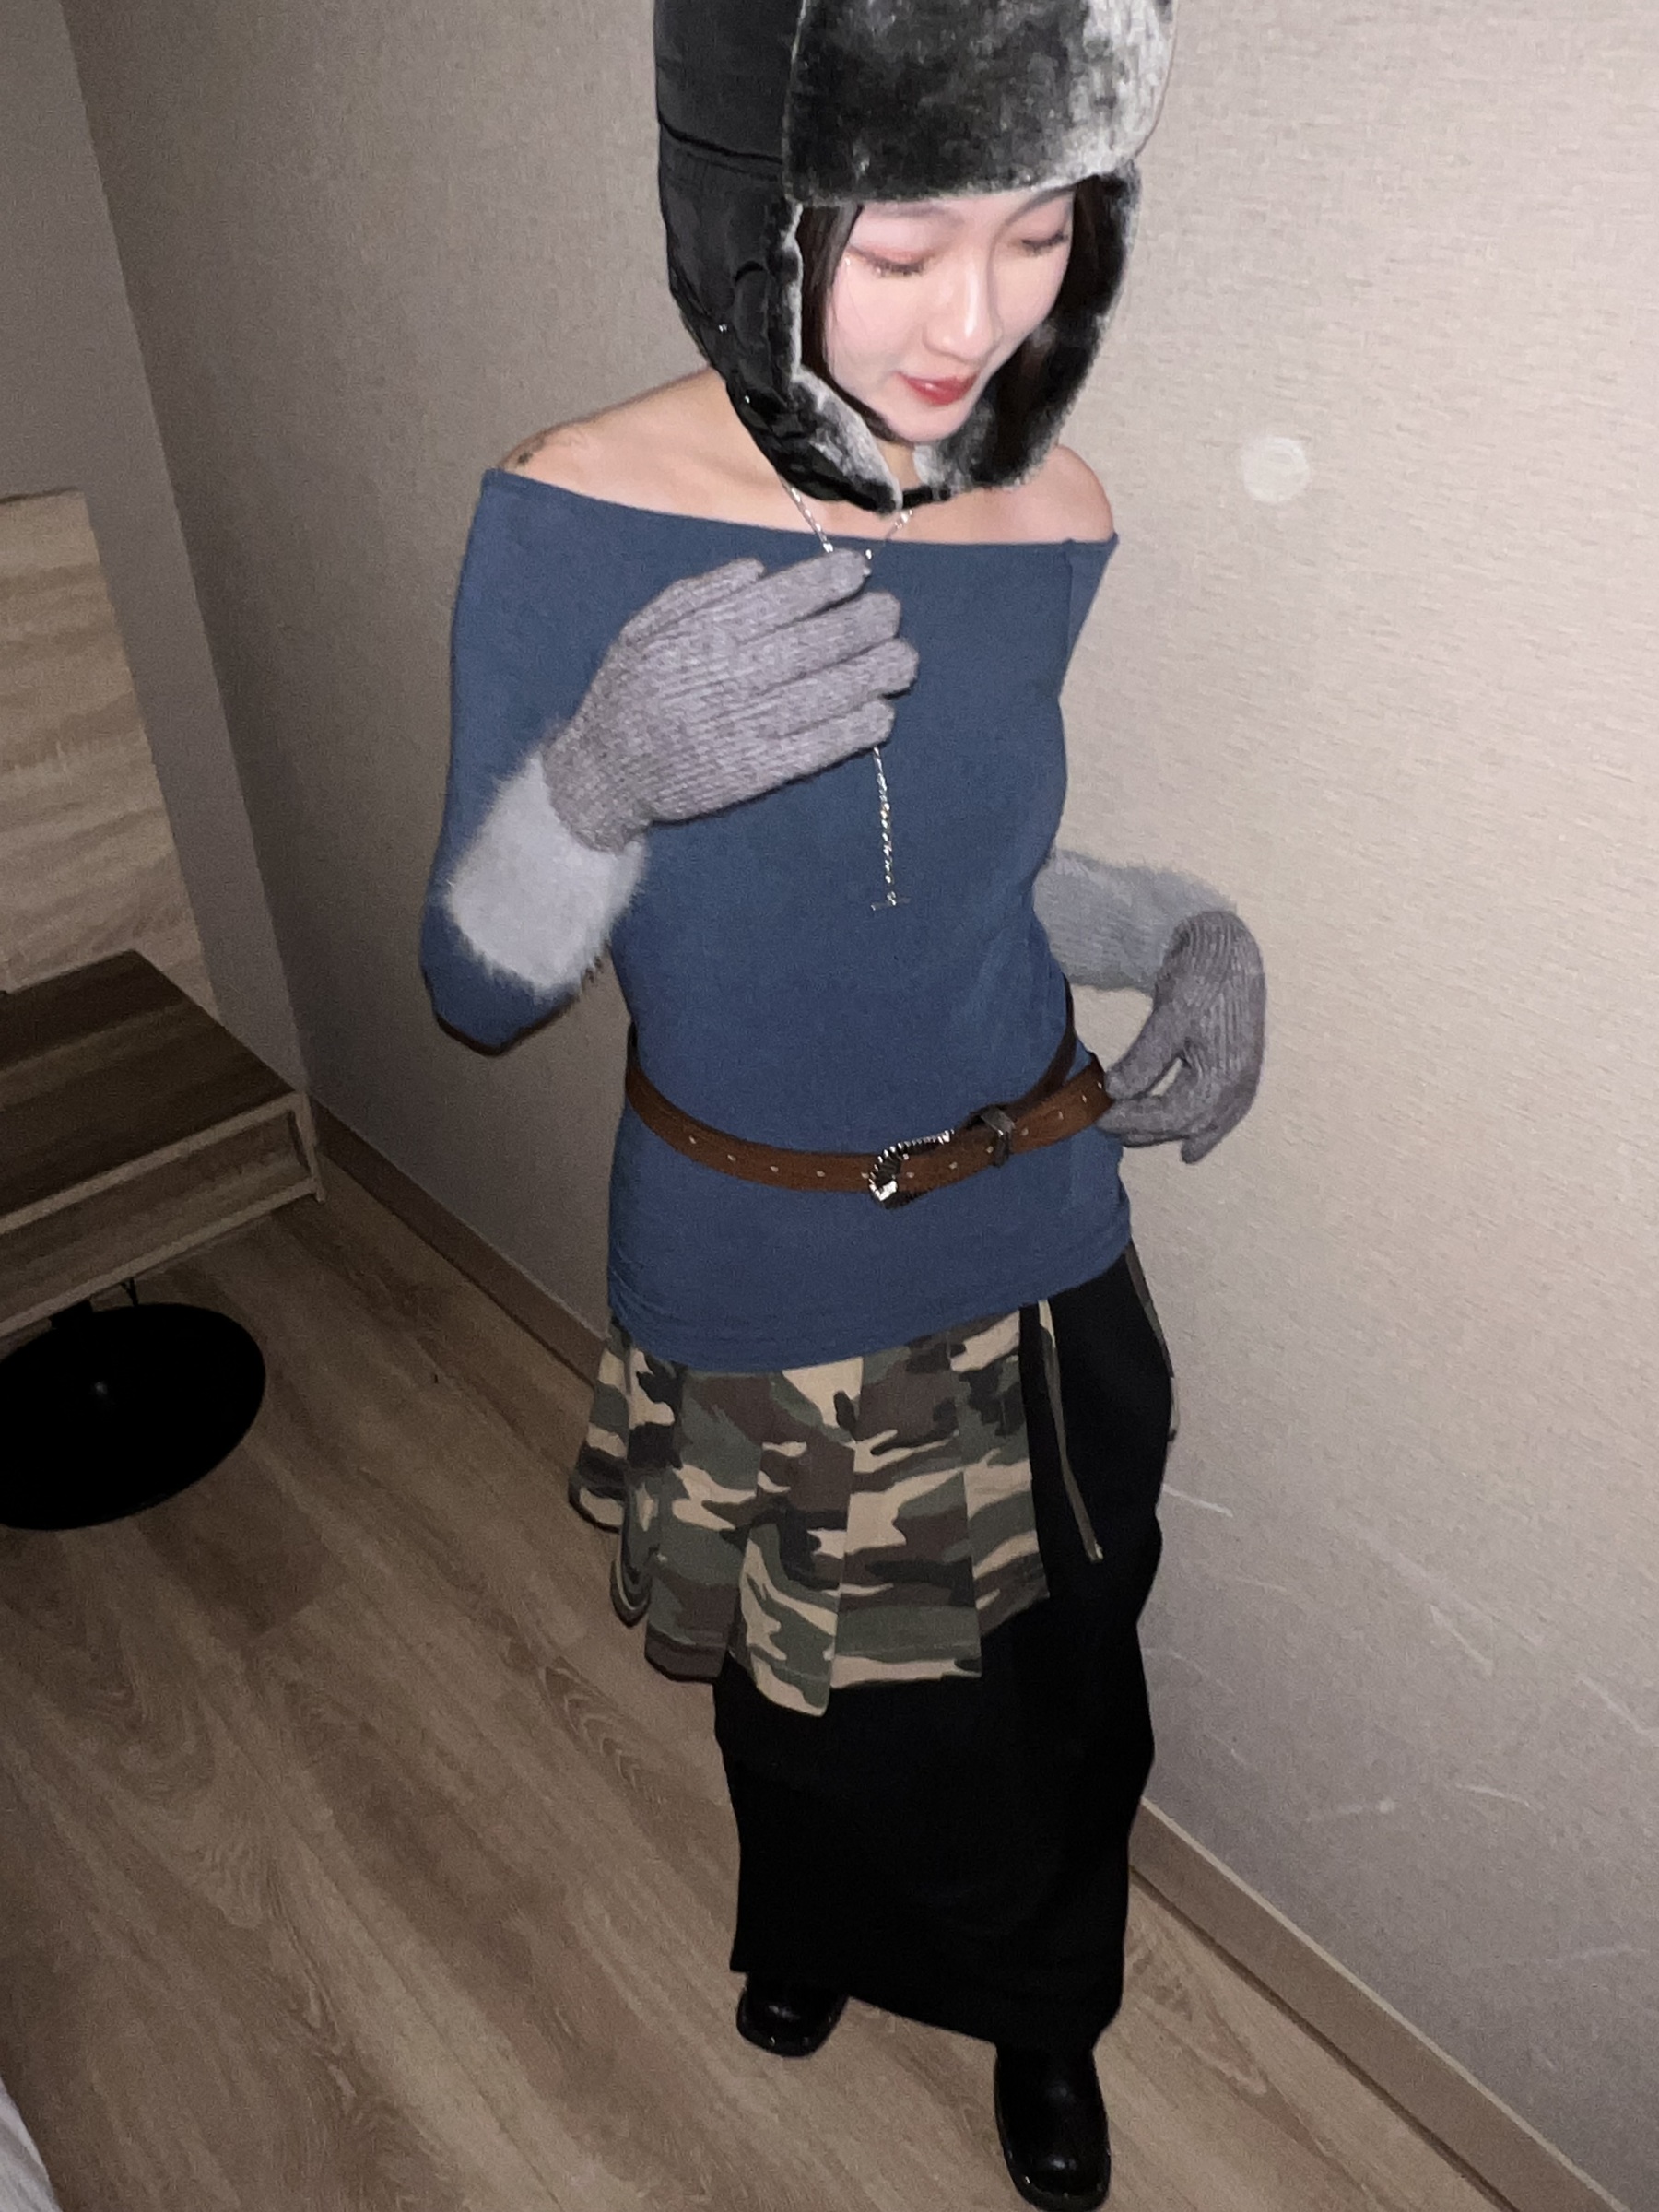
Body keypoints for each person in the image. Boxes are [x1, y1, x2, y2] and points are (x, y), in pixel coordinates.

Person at [420, 4, 1265, 2205]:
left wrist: (1188, 925)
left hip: (1035, 1226)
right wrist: (598, 780)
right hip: (750, 1249)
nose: (974, 324)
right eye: (899, 251)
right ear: (751, 220)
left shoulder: (1056, 507)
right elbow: (476, 980)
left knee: (1059, 1685)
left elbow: (975, 866)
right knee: (798, 1687)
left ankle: (1047, 2017)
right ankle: (809, 1925)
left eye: (1039, 235)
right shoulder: (572, 510)